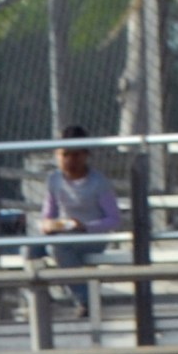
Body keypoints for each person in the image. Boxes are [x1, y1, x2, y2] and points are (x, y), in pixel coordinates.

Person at [39, 125, 121, 317]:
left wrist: (86, 227)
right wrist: (48, 224)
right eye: (64, 154)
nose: (69, 161)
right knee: (29, 249)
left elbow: (113, 219)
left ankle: (86, 301)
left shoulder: (98, 183)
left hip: (91, 237)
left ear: (85, 155)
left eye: (75, 155)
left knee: (58, 248)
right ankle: (41, 297)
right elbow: (47, 214)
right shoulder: (54, 180)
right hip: (65, 233)